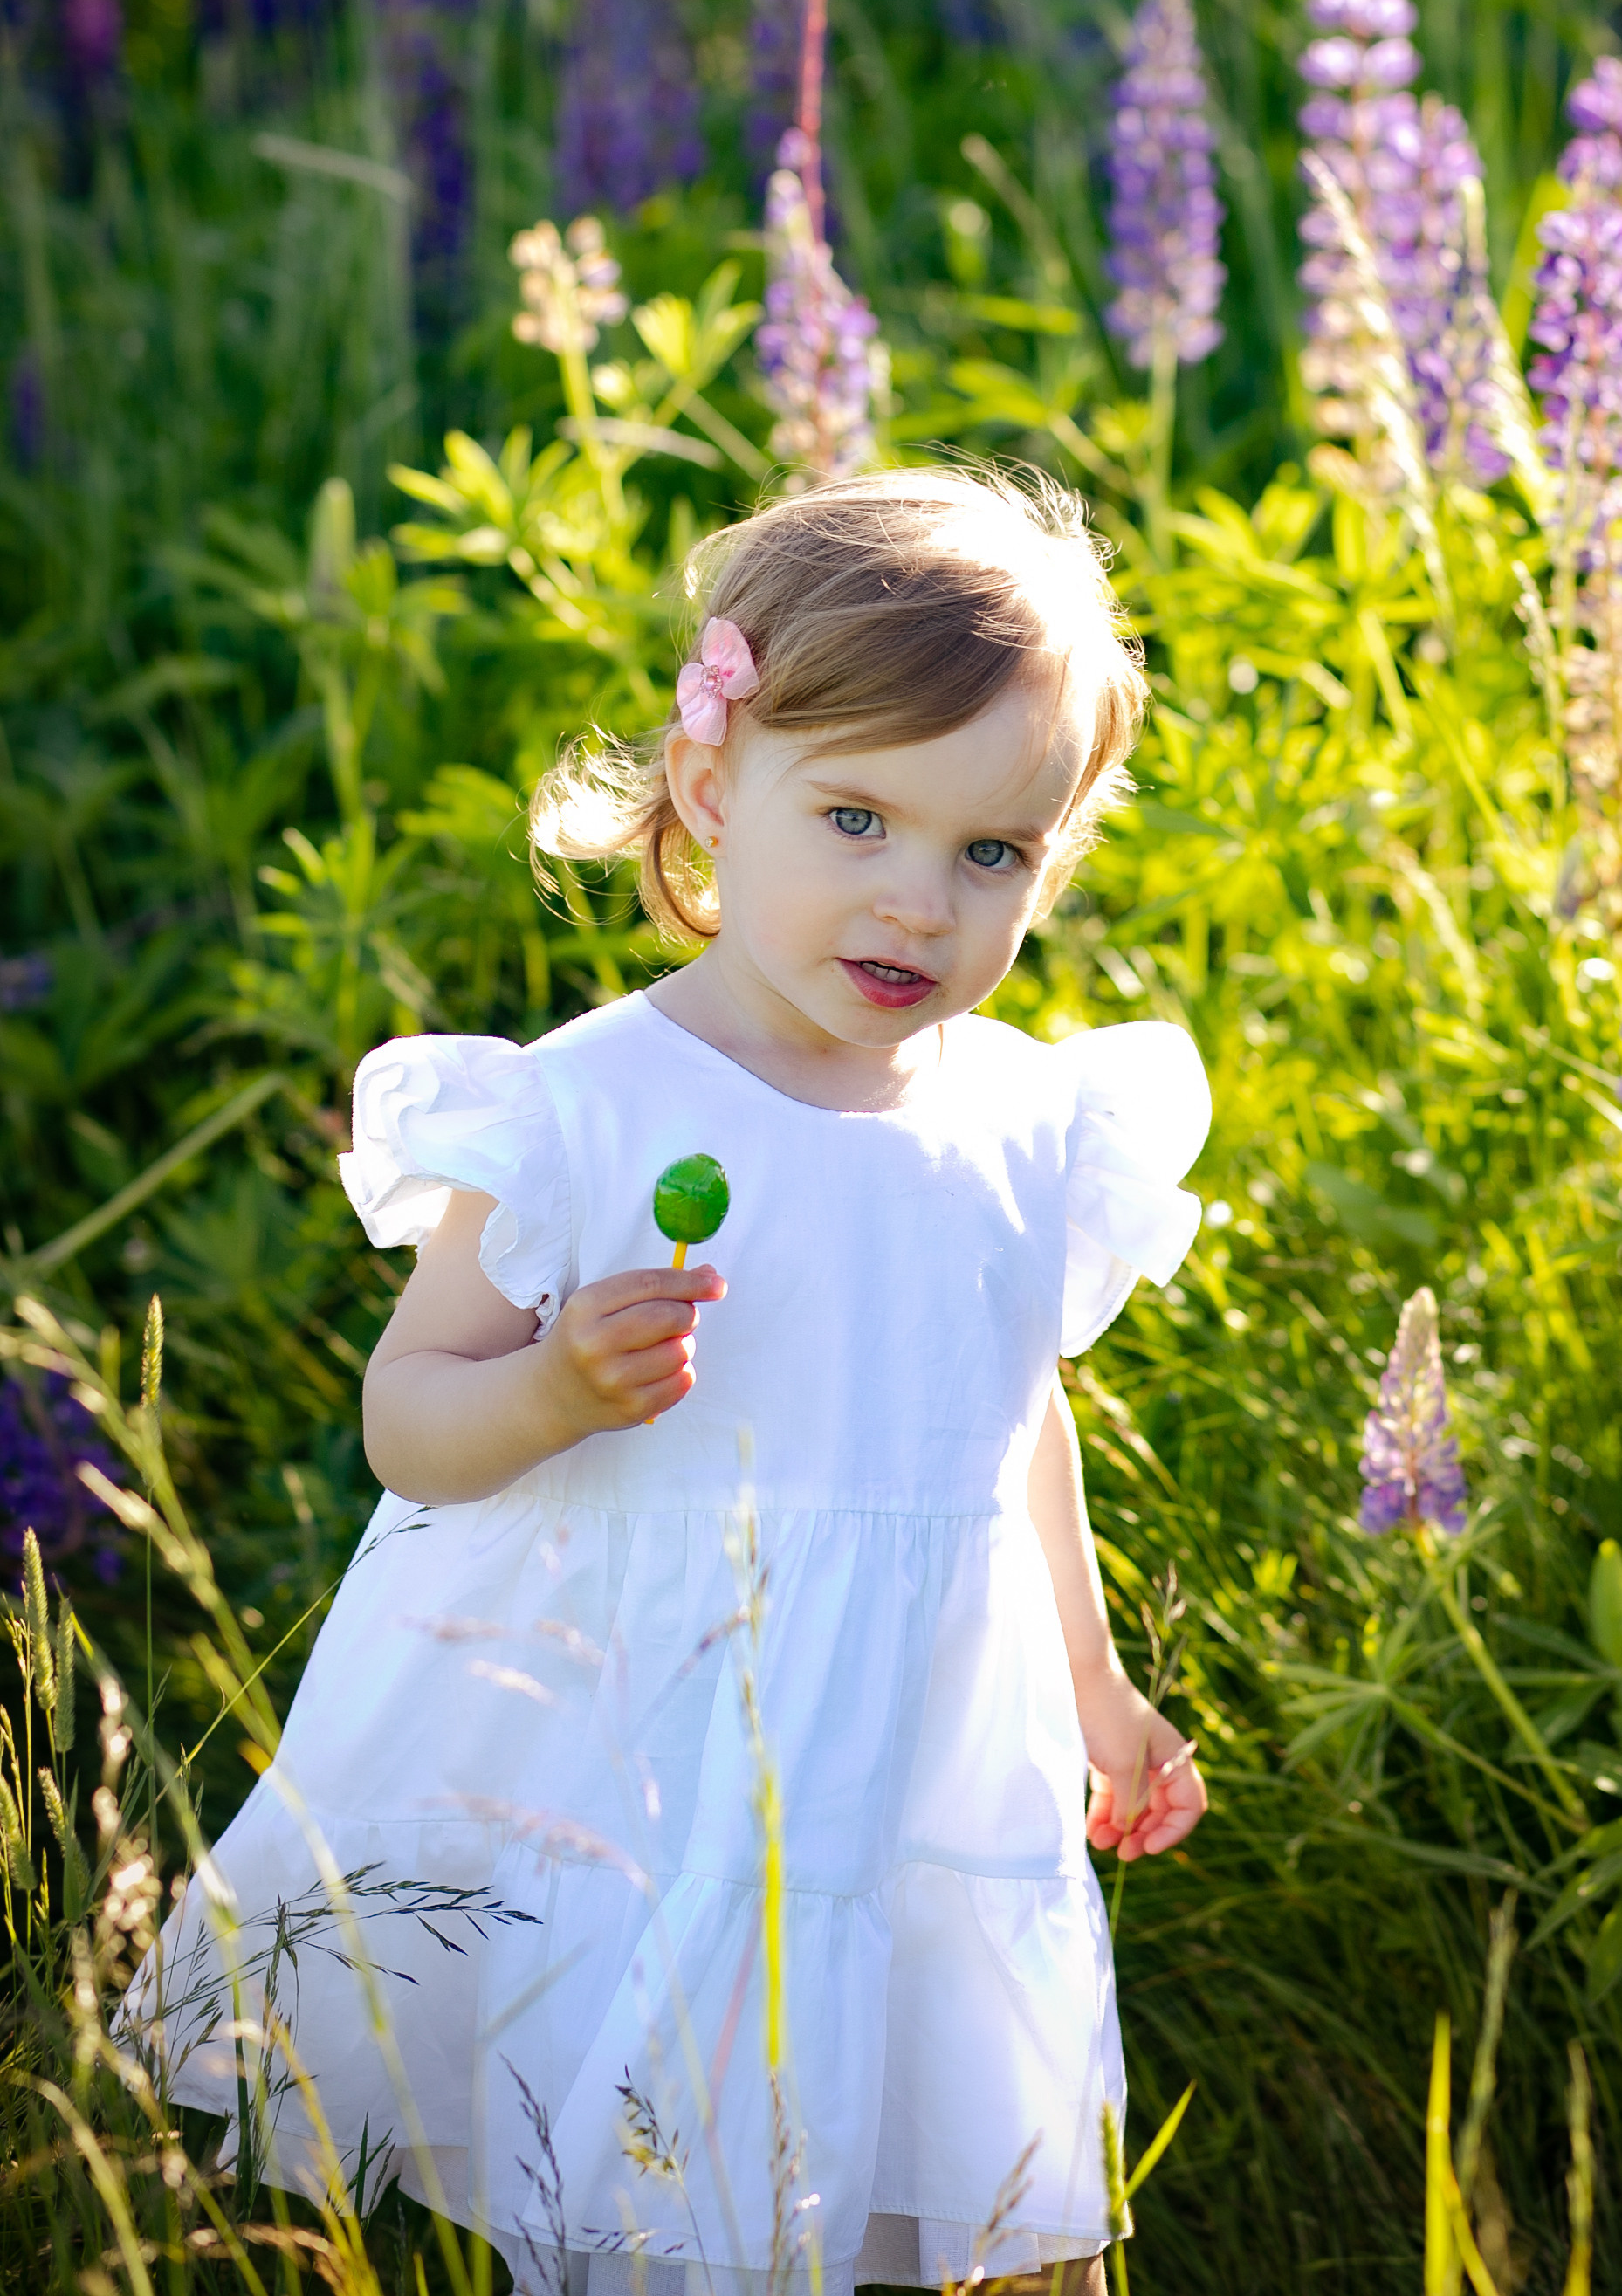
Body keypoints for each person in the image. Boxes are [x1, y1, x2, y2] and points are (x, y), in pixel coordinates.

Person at [132, 469, 1212, 2296]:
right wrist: (551, 1387)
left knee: (971, 2168)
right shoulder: (589, 1107)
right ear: (715, 791)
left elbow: (1013, 1414)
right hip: (653, 1746)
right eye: (857, 817)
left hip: (923, 1744)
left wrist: (1099, 1687)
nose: (917, 903)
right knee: (674, 2171)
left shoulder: (1027, 1121)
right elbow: (412, 1417)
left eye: (990, 853)